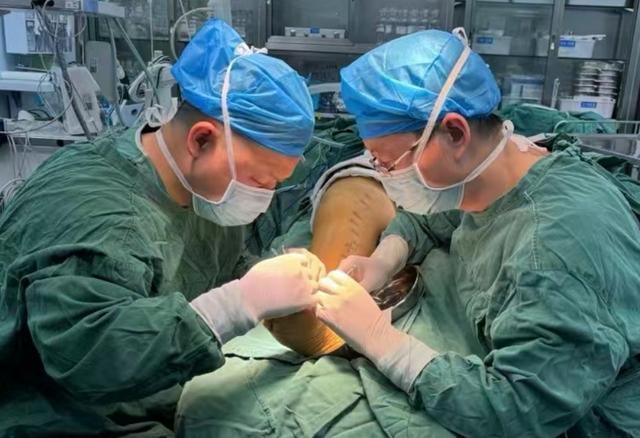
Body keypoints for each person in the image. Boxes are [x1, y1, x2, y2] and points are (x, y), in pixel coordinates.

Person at [0, 19, 325, 437]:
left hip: (148, 389)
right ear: (201, 139)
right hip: (53, 412)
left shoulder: (204, 191)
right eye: (261, 180)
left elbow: (211, 262)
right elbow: (90, 359)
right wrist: (237, 304)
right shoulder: (97, 212)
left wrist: (269, 278)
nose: (265, 195)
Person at [316, 28, 640, 436]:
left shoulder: (554, 250)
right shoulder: (496, 170)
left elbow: (518, 410)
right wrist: (383, 260)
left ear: (455, 133)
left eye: (389, 162)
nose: (384, 174)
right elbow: (434, 216)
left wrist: (380, 340)